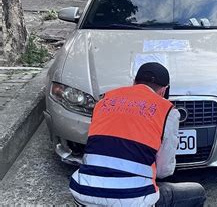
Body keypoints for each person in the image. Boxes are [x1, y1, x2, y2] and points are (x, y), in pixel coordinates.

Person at [69, 62, 206, 207]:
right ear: (163, 91)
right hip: (134, 200)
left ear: (134, 82)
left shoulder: (103, 101)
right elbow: (164, 170)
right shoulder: (167, 111)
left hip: (83, 193)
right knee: (197, 193)